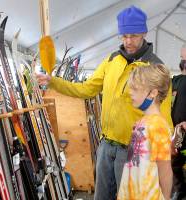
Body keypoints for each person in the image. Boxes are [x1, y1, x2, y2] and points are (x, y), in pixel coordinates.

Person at [36, 5, 173, 200]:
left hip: (132, 151)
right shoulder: (111, 60)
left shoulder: (154, 68)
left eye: (133, 35)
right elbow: (86, 89)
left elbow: (164, 118)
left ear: (144, 32)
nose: (128, 41)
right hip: (105, 147)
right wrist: (53, 82)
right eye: (123, 36)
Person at [117, 64, 173, 200]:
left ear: (152, 93)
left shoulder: (158, 126)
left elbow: (165, 170)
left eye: (135, 88)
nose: (130, 92)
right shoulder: (144, 121)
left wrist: (165, 197)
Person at [171, 44, 186, 200]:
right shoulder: (175, 80)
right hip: (178, 132)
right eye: (182, 58)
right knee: (175, 162)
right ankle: (180, 190)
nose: (183, 61)